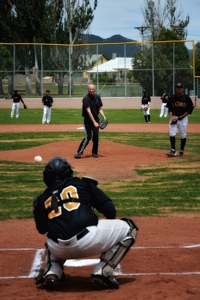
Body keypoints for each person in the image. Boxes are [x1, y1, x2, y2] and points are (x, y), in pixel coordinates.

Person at [33, 156, 138, 290]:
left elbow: (42, 229)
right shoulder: (83, 184)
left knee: (54, 232)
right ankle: (102, 270)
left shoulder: (44, 197)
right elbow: (110, 212)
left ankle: (53, 270)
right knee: (130, 228)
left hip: (57, 249)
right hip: (89, 241)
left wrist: (37, 211)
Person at [74, 84, 107, 158]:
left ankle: (94, 152)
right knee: (87, 137)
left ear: (95, 90)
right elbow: (88, 111)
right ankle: (78, 152)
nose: (91, 90)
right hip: (87, 120)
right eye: (90, 89)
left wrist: (104, 117)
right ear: (88, 90)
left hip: (95, 119)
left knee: (96, 136)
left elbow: (100, 109)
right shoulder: (86, 98)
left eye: (92, 89)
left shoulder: (98, 97)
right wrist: (94, 122)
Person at [166, 82, 194, 157]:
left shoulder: (186, 98)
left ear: (183, 88)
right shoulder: (172, 97)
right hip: (174, 117)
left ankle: (181, 150)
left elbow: (190, 108)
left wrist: (183, 116)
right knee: (172, 133)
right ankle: (173, 150)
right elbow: (170, 109)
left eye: (180, 88)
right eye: (177, 88)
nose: (179, 89)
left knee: (183, 134)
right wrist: (171, 117)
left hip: (183, 118)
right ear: (176, 89)